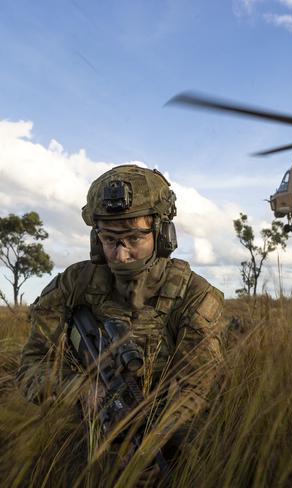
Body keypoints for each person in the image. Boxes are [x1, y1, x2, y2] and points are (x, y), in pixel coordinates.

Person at [16, 164, 225, 477]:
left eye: (133, 238)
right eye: (109, 239)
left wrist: (149, 444)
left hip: (171, 431)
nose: (121, 254)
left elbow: (198, 392)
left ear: (162, 234)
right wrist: (81, 390)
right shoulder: (75, 284)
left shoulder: (193, 296)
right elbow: (30, 368)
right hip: (87, 432)